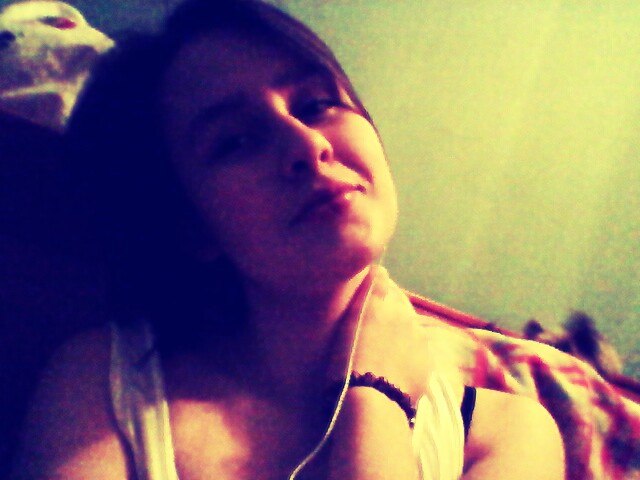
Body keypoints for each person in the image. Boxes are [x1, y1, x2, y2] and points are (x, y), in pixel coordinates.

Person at [11, 1, 565, 479]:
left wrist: (374, 401)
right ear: (190, 225)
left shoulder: (512, 434)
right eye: (235, 141)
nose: (305, 144)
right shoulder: (102, 385)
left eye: (316, 104)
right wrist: (376, 391)